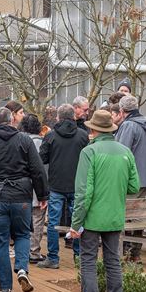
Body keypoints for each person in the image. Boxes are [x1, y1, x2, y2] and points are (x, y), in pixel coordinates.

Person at [69, 110, 139, 292]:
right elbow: (134, 187)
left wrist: (75, 224)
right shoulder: (125, 152)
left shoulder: (89, 152)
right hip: (115, 216)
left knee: (88, 263)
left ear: (92, 129)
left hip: (91, 218)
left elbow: (83, 193)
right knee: (113, 262)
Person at [0, 107, 48, 292]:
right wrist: (42, 196)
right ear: (12, 120)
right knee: (23, 234)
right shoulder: (24, 140)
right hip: (21, 196)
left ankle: (5, 286)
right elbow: (37, 169)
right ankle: (22, 268)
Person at [38, 104, 89, 269]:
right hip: (77, 185)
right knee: (78, 220)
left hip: (56, 185)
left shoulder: (51, 136)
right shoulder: (83, 136)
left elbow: (42, 159)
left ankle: (53, 258)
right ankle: (78, 255)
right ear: (74, 117)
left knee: (53, 222)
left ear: (58, 118)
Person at [115, 95, 146, 197]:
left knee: (129, 210)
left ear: (122, 110)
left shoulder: (128, 125)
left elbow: (122, 152)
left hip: (134, 178)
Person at [19, 114, 47, 265]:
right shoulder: (42, 143)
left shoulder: (19, 142)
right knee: (38, 218)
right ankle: (34, 251)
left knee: (24, 219)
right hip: (38, 186)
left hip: (22, 187)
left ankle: (23, 250)